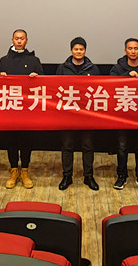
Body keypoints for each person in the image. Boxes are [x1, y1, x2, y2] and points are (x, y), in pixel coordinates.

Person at [0, 29, 43, 189]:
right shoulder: (4, 60)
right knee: (11, 141)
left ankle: (25, 170)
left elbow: (44, 82)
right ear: (12, 40)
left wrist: (36, 78)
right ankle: (13, 170)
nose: (19, 41)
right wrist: (0, 77)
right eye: (16, 38)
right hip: (10, 108)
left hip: (28, 109)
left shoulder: (34, 60)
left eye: (22, 38)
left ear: (26, 40)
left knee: (26, 141)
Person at [56, 36, 101, 191]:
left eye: (81, 49)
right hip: (67, 114)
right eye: (76, 49)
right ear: (71, 50)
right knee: (67, 146)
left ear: (85, 51)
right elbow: (55, 89)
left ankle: (88, 176)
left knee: (87, 146)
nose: (78, 52)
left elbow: (98, 90)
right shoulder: (62, 68)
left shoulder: (93, 69)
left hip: (86, 115)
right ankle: (67, 176)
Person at [110, 38, 138, 191]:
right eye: (130, 48)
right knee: (122, 147)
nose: (133, 51)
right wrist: (126, 76)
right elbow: (111, 85)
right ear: (125, 51)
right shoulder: (117, 68)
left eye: (136, 48)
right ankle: (121, 176)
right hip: (123, 115)